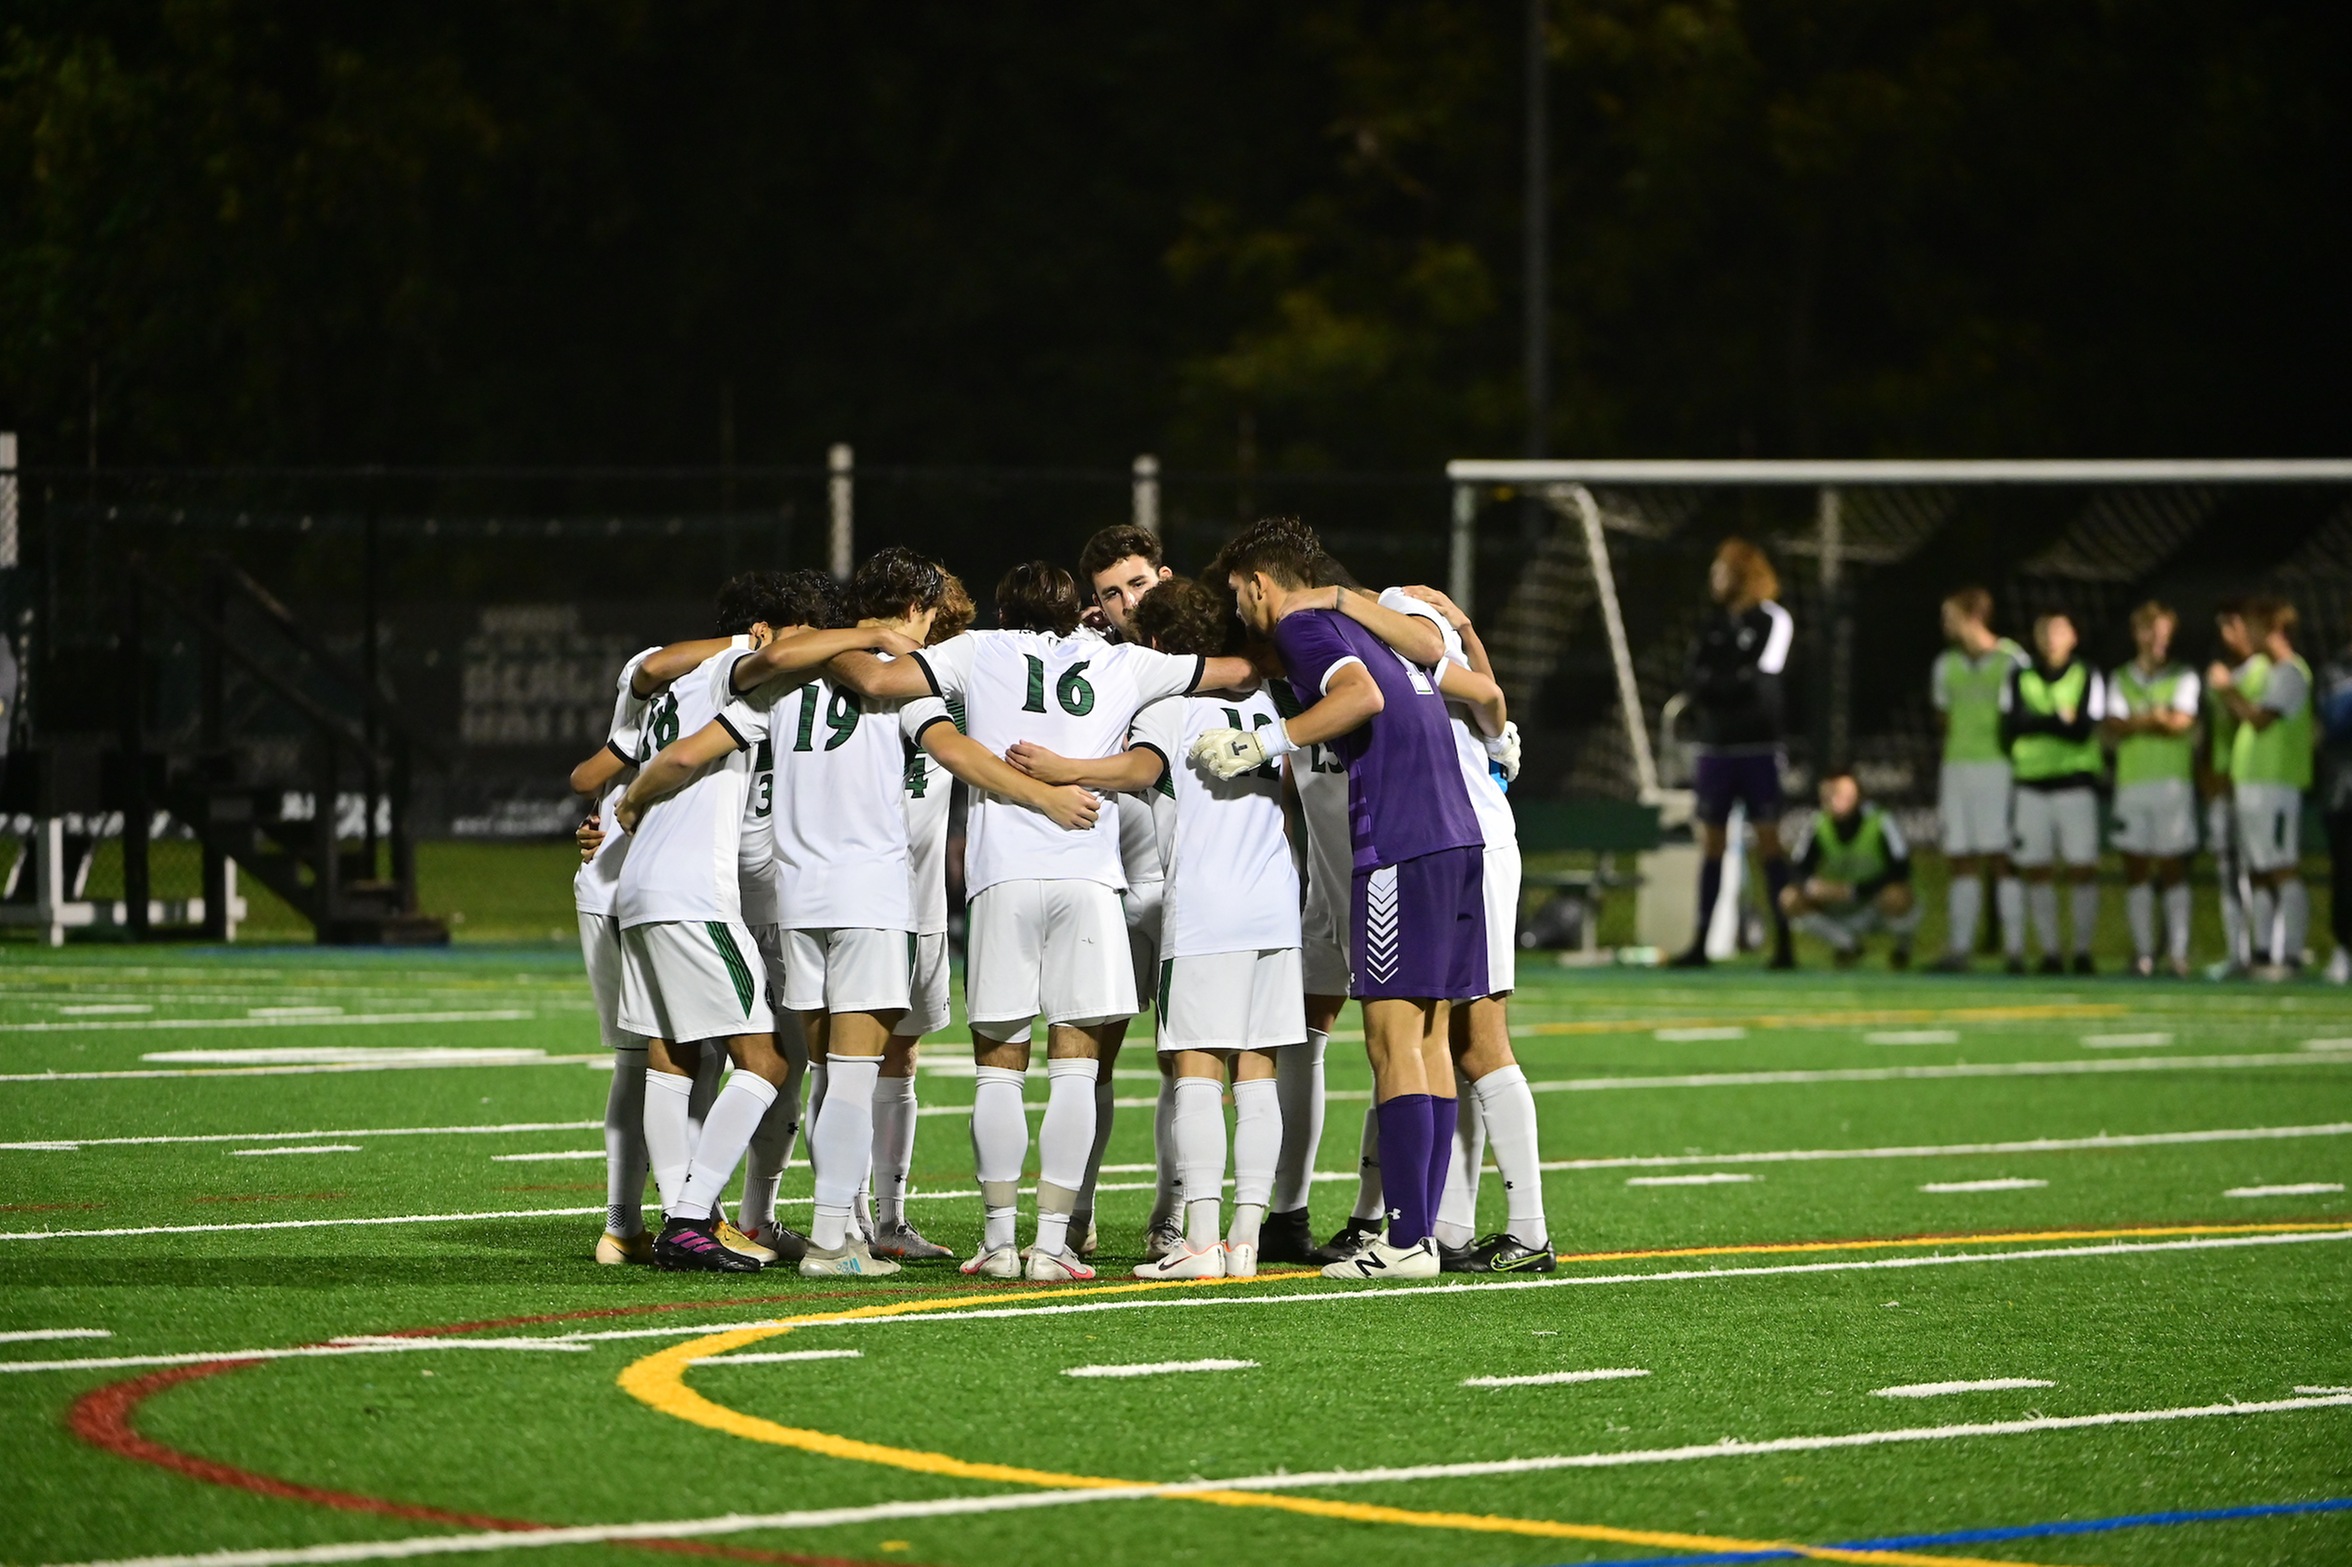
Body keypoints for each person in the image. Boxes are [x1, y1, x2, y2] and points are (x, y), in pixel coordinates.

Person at [835, 561, 1253, 1281]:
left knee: (998, 1071)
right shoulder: (1124, 661)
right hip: (1087, 877)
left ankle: (999, 1242)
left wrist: (830, 638)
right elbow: (1238, 670)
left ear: (1003, 610)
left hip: (1002, 878)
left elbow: (873, 677)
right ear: (1077, 611)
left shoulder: (977, 649)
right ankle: (1053, 1244)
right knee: (1075, 1070)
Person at [1207, 519, 1488, 1282]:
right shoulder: (1365, 621)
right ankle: (1419, 1236)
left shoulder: (1302, 625)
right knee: (1427, 1041)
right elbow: (1432, 655)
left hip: (1399, 841)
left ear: (1259, 583)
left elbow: (1357, 697)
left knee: (1392, 1044)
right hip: (1457, 839)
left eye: (1238, 594)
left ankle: (1405, 1239)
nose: (1239, 610)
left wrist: (1267, 740)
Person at [609, 582, 913, 1270]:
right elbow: (761, 670)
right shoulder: (736, 670)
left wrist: (629, 800)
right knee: (769, 1061)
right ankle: (691, 1216)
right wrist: (874, 636)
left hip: (641, 886)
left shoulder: (676, 684)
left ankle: (674, 1218)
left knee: (670, 1058)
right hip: (697, 892)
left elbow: (654, 736)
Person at [1009, 577, 1304, 1279]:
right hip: (1276, 903)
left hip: (1206, 906)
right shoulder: (1265, 699)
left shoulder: (1169, 706)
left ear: (1157, 643)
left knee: (1197, 1071)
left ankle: (1198, 1242)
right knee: (1257, 1074)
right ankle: (1244, 1241)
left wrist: (1063, 767)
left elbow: (1138, 768)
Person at [565, 630, 733, 1264]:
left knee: (638, 1059)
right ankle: (691, 1215)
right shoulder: (726, 678)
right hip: (651, 886)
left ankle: (625, 1224)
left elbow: (588, 774)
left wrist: (602, 811)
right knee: (695, 1054)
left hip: (613, 882)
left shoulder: (660, 688)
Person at [1071, 522, 1180, 1257]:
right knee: (1092, 1055)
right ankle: (1074, 1214)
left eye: (1137, 584)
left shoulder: (1205, 649)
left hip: (1185, 885)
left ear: (1164, 579)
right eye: (1111, 593)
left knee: (1185, 1058)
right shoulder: (1084, 657)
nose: (1126, 602)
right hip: (1109, 882)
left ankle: (1170, 1214)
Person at [870, 568, 978, 1256]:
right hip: (860, 893)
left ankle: (888, 1219)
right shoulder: (855, 675)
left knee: (900, 1053)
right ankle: (846, 1217)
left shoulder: (957, 684)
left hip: (921, 898)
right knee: (839, 1055)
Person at [1671, 538, 1796, 970]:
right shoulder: (1713, 624)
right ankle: (1701, 942)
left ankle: (1785, 943)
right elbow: (1695, 678)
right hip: (1715, 748)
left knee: (1769, 843)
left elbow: (1759, 680)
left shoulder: (1772, 619)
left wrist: (1722, 685)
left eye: (1721, 570)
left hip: (1758, 748)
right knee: (1712, 845)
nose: (1714, 578)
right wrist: (1723, 684)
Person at [2209, 597, 2313, 977]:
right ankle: (2265, 951)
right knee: (2259, 870)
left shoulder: (2290, 673)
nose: (2247, 635)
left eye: (2252, 627)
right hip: (2253, 785)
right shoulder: (2267, 672)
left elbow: (2259, 719)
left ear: (2271, 630)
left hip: (2277, 784)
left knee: (2282, 867)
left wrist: (2226, 689)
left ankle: (2292, 955)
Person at [2001, 612, 2107, 974]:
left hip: (2075, 785)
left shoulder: (2087, 674)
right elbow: (2011, 726)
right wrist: (2057, 719)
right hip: (2031, 785)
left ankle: (2082, 950)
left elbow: (2083, 730)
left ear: (2074, 636)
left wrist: (2038, 721)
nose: (2051, 638)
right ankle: (2050, 952)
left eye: (2059, 631)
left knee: (2082, 868)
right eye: (2044, 631)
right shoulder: (2020, 676)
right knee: (2036, 869)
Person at [1928, 588, 2027, 972]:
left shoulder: (2011, 660)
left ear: (1973, 617)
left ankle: (2015, 951)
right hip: (1956, 768)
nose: (1945, 624)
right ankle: (1960, 949)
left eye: (1950, 616)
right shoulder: (1946, 665)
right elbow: (1943, 717)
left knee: (2002, 857)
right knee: (1961, 858)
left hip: (1998, 769)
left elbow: (2020, 716)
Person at [2103, 601, 2200, 977]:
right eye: (2152, 633)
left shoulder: (2184, 676)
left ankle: (2177, 953)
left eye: (2164, 634)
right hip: (2132, 784)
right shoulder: (2120, 678)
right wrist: (2156, 717)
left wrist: (2139, 720)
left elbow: (2180, 723)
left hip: (2173, 784)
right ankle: (2143, 953)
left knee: (2173, 867)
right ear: (2137, 634)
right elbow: (2115, 725)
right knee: (2136, 868)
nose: (2159, 641)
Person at [1777, 770, 1917, 968]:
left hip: (1873, 902)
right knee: (1790, 898)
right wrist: (1814, 886)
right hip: (1835, 903)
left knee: (1897, 895)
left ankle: (1903, 948)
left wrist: (1855, 890)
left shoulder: (1880, 820)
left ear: (1859, 796)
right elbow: (1797, 869)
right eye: (1830, 793)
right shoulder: (1817, 823)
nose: (1837, 800)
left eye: (1844, 794)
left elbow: (1901, 869)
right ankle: (1847, 944)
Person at [2200, 601, 2258, 977]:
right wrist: (2206, 775)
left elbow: (2253, 721)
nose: (2226, 635)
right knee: (2228, 870)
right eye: (2222, 627)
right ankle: (2237, 952)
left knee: (2261, 871)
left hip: (2254, 784)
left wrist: (2226, 690)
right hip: (2221, 784)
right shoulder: (2219, 671)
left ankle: (2269, 951)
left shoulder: (2264, 671)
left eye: (2233, 626)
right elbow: (2210, 729)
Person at [2316, 630, 2352, 984]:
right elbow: (2336, 721)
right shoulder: (2335, 671)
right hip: (2343, 792)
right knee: (2345, 875)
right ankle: (2344, 948)